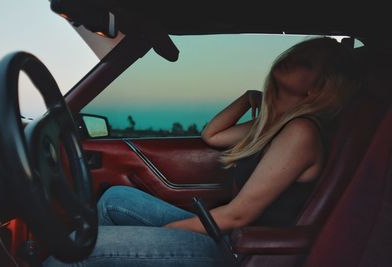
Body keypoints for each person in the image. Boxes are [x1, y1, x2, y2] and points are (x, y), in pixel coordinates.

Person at [44, 36, 360, 266]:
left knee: (74, 250)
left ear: (317, 87)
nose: (291, 58)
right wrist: (248, 100)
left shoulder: (301, 132)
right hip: (226, 235)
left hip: (238, 251)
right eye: (294, 53)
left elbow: (239, 214)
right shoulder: (274, 125)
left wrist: (165, 237)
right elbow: (213, 135)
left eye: (304, 62)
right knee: (115, 199)